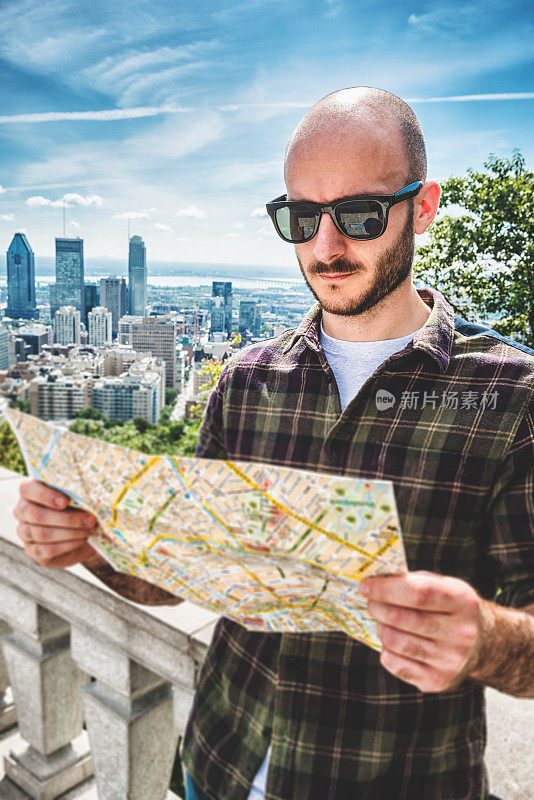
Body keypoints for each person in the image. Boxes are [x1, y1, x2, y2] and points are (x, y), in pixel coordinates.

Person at [13, 87, 534, 800]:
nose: (326, 246)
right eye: (301, 216)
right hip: (218, 765)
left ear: (423, 206)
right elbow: (180, 575)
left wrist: (485, 636)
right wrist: (90, 545)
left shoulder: (511, 398)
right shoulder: (248, 380)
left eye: (359, 213)